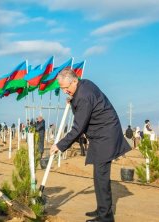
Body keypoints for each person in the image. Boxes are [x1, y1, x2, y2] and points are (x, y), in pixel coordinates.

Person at [50, 68, 131, 222]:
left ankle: (106, 217)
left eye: (66, 88)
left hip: (105, 135)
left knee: (101, 177)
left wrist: (60, 145)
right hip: (102, 133)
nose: (65, 91)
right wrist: (73, 99)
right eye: (62, 89)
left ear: (74, 81)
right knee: (98, 176)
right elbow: (82, 107)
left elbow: (78, 127)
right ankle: (102, 209)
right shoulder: (84, 84)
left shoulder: (84, 96)